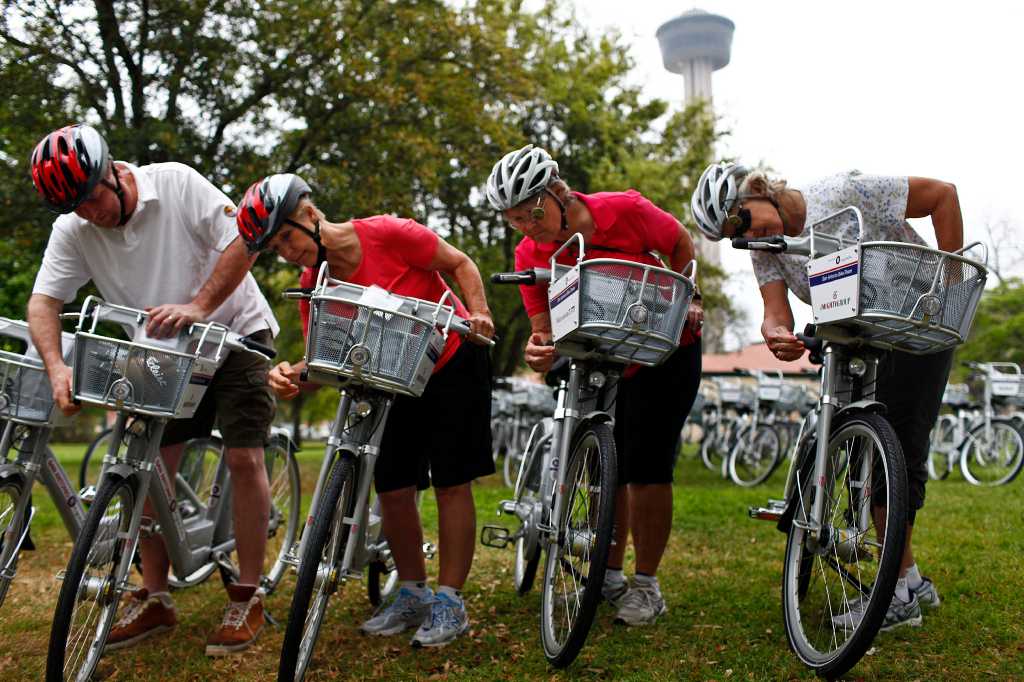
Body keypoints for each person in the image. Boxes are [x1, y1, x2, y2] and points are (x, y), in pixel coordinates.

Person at [27, 123, 278, 655]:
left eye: (92, 196)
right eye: (75, 206)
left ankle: (249, 594)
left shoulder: (177, 183)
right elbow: (44, 301)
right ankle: (156, 596)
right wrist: (56, 367)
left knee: (243, 457)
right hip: (160, 351)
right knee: (142, 463)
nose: (89, 213)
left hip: (234, 333)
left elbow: (245, 237)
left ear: (114, 173)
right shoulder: (74, 228)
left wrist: (199, 306)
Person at [692, 162, 957, 630]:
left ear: (756, 190)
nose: (747, 235)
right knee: (862, 451)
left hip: (915, 324)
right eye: (736, 236)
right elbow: (775, 313)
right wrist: (776, 334)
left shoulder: (847, 191)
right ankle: (910, 579)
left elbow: (942, 195)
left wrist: (950, 282)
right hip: (858, 335)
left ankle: (897, 595)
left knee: (900, 451)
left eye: (743, 220)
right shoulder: (766, 249)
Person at [235, 173, 495, 647]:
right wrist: (293, 375)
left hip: (452, 360)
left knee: (451, 483)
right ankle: (413, 592)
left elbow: (460, 263)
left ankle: (450, 601)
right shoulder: (316, 283)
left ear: (310, 214)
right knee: (394, 488)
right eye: (275, 248)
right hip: (391, 380)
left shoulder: (388, 233)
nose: (287, 252)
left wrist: (478, 313)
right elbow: (324, 361)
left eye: (287, 237)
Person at [484, 144, 704, 626]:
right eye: (515, 220)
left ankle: (646, 586)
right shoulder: (530, 251)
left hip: (663, 349)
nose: (527, 227)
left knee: (647, 469)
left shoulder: (624, 210)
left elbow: (681, 244)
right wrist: (537, 349)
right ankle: (607, 572)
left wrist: (689, 294)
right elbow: (543, 331)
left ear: (559, 193)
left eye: (533, 213)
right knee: (608, 465)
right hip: (602, 357)